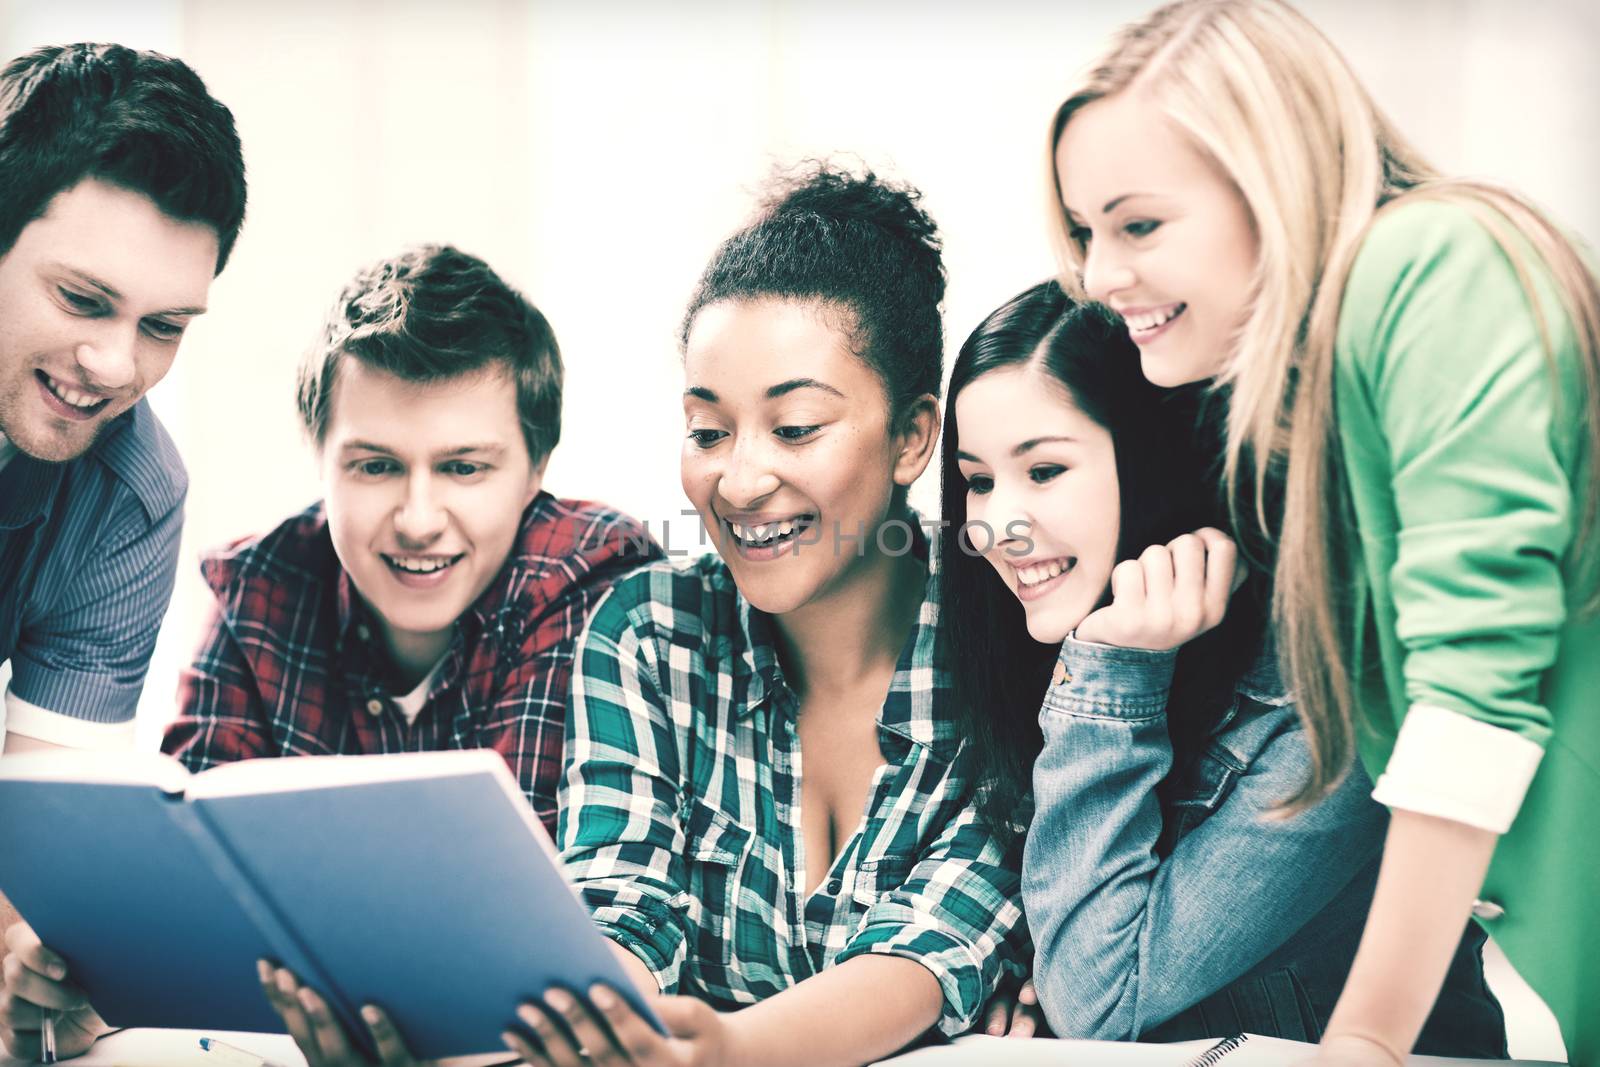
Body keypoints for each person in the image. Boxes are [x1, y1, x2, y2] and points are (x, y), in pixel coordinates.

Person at [1046, 1, 1600, 1062]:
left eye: (1138, 224)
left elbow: (1475, 694)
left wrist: (1364, 1041)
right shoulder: (1320, 407)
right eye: (1085, 231)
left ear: (1271, 181)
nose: (1099, 275)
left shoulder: (1431, 260)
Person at [12, 244, 662, 1066]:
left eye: (464, 467)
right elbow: (194, 896)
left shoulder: (597, 583)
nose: (419, 517)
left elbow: (524, 928)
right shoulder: (261, 587)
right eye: (375, 466)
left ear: (537, 468)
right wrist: (93, 991)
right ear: (321, 459)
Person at [485, 164, 1028, 1067]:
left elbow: (941, 938)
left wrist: (727, 1048)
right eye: (707, 430)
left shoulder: (1007, 636)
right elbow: (621, 893)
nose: (737, 480)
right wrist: (593, 1024)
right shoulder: (649, 632)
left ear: (913, 436)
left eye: (796, 427)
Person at [940, 280, 1505, 1052]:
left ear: (1152, 462)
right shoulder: (1024, 649)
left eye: (1043, 472)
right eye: (978, 480)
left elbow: (1099, 1002)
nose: (997, 526)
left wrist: (1114, 670)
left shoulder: (1322, 699)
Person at [0, 41, 245, 1063]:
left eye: (164, 325)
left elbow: (35, 836)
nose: (112, 365)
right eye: (82, 299)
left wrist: (45, 962)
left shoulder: (131, 493)